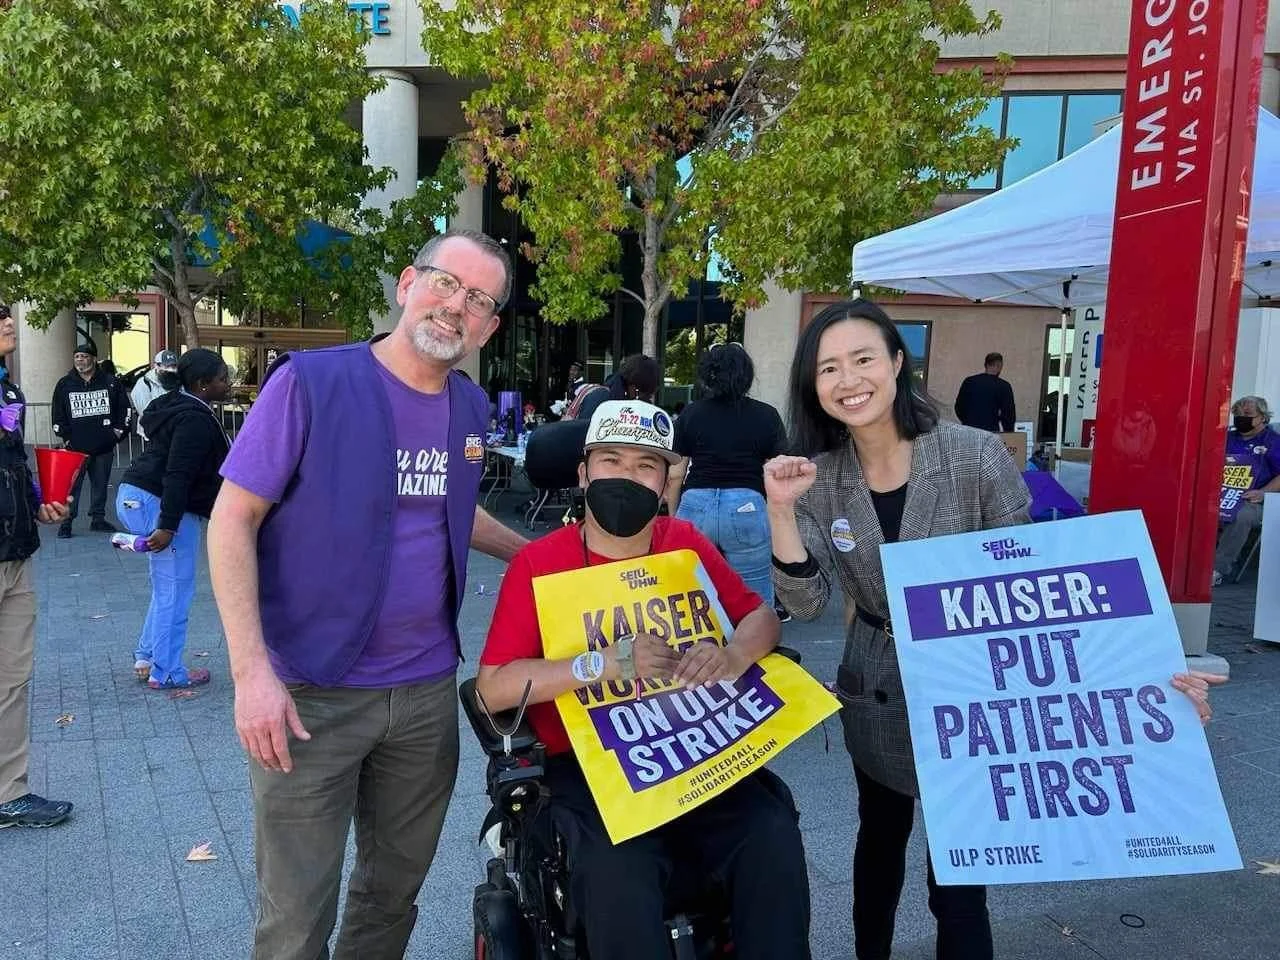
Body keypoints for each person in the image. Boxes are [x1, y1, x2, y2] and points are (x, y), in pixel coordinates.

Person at [764, 298, 1225, 960]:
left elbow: (1037, 590)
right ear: (814, 385)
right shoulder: (819, 477)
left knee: (961, 873)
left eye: (863, 358)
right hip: (877, 687)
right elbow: (805, 605)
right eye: (828, 367)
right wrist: (782, 513)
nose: (848, 379)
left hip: (982, 689)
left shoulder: (973, 454)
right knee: (879, 840)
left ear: (897, 362)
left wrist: (1148, 680)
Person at [207, 228, 529, 960]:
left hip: (423, 698)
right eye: (447, 283)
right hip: (308, 693)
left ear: (490, 326)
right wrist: (250, 673)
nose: (456, 307)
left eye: (478, 300)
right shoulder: (313, 382)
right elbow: (233, 518)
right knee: (294, 920)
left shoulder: (470, 411)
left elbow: (448, 505)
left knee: (392, 899)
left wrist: (538, 557)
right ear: (408, 283)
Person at [478, 398, 810, 960]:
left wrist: (731, 654)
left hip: (692, 749)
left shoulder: (684, 544)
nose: (627, 477)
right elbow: (494, 688)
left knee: (770, 834)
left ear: (665, 481)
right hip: (591, 767)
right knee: (617, 869)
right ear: (584, 474)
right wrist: (600, 665)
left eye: (645, 465)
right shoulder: (540, 564)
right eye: (611, 460)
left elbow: (762, 617)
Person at [0, 303, 75, 828]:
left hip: (17, 553)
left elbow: (15, 465)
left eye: (7, 313)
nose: (8, 321)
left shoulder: (9, 391)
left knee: (11, 681)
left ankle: (9, 793)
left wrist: (41, 503)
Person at [117, 349, 231, 689]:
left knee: (166, 586)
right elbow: (178, 474)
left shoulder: (176, 407)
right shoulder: (194, 418)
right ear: (202, 384)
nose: (228, 384)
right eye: (223, 379)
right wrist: (167, 526)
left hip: (135, 494)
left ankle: (148, 656)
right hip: (160, 502)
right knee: (176, 590)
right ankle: (165, 671)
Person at [666, 342, 787, 613]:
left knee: (687, 593)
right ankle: (755, 650)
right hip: (747, 504)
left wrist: (675, 516)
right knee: (754, 598)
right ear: (746, 375)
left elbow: (675, 474)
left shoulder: (691, 413)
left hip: (696, 502)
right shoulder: (766, 415)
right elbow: (778, 472)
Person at [51, 341, 128, 536]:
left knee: (100, 484)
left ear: (94, 359)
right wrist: (66, 437)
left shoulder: (111, 382)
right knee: (71, 487)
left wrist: (117, 433)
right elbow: (57, 414)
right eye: (77, 357)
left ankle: (98, 519)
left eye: (84, 357)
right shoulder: (64, 384)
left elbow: (124, 409)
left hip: (103, 447)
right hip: (75, 448)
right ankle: (66, 522)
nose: (80, 361)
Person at [1214, 395, 1280, 585]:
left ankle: (1217, 569)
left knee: (1241, 515)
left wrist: (1263, 493)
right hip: (1222, 494)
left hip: (1254, 499)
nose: (1242, 417)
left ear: (1263, 417)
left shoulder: (1273, 442)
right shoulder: (1226, 437)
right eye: (1238, 413)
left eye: (1248, 414)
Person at [565, 352, 661, 421]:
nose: (639, 399)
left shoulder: (610, 396)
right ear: (633, 386)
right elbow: (584, 438)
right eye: (641, 394)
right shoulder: (601, 398)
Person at [954, 351, 1016, 433]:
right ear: (999, 365)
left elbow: (959, 407)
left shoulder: (969, 381)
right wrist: (1009, 432)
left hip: (968, 430)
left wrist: (966, 421)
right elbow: (1008, 414)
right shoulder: (1004, 386)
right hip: (990, 431)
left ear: (986, 365)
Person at [130, 349, 180, 440]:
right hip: (152, 435)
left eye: (173, 366)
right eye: (166, 366)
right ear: (156, 365)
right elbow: (146, 413)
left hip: (175, 433)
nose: (170, 370)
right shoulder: (143, 384)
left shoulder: (178, 382)